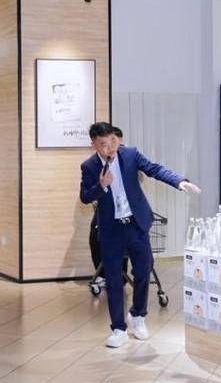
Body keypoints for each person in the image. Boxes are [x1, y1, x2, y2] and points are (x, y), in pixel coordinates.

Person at [79, 122, 200, 349]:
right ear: (94, 144)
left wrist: (179, 181)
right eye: (104, 144)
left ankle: (138, 315)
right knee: (113, 280)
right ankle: (118, 328)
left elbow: (155, 169)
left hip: (136, 224)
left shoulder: (131, 154)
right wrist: (101, 186)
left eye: (113, 141)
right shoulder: (89, 166)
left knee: (144, 270)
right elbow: (85, 197)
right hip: (111, 229)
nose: (110, 147)